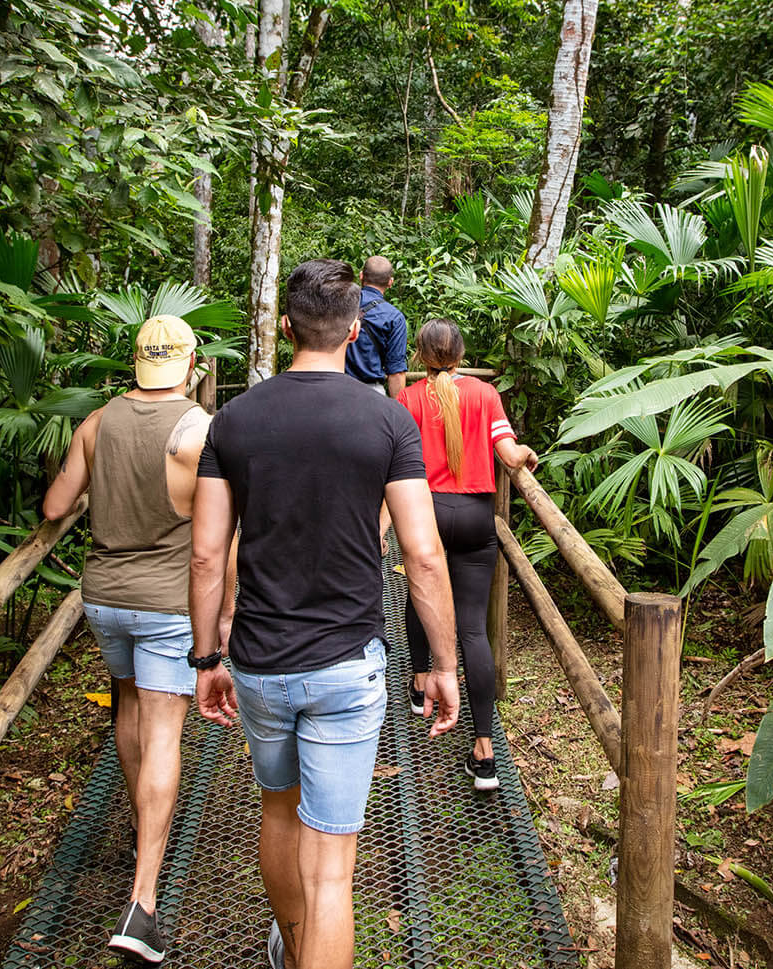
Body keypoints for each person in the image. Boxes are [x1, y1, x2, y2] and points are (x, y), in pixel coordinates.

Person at [187, 258, 461, 969]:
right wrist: (443, 664)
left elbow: (206, 556)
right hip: (347, 664)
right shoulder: (387, 420)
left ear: (286, 327)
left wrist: (205, 658)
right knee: (333, 865)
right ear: (355, 328)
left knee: (278, 809)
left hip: (259, 661)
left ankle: (298, 945)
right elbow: (422, 554)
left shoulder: (233, 420)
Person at [41, 314, 231, 963]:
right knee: (162, 730)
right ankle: (143, 900)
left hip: (105, 597)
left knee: (126, 704)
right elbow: (219, 532)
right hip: (167, 603)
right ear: (191, 360)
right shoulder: (197, 430)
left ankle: (136, 821)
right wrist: (227, 612)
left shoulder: (97, 422)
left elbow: (54, 506)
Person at [395, 318, 538, 791]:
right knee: (472, 628)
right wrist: (525, 459)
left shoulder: (409, 400)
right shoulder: (484, 394)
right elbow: (508, 453)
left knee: (422, 596)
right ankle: (484, 751)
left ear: (419, 356)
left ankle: (421, 686)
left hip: (427, 514)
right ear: (460, 353)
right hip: (476, 515)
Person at [345, 255, 409, 396]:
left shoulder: (340, 304)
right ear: (390, 282)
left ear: (361, 276)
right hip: (371, 393)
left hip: (336, 387)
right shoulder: (394, 317)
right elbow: (396, 372)